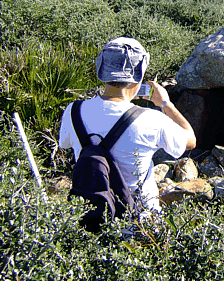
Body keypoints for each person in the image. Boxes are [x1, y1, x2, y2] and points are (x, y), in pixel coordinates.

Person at [59, 36, 196, 214]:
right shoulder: (151, 119)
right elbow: (190, 140)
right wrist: (165, 104)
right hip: (139, 223)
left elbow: (64, 143)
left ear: (101, 68)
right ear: (139, 73)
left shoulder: (73, 111)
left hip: (91, 218)